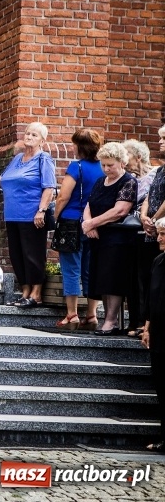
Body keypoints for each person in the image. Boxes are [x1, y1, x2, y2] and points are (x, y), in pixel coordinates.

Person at [0, 122, 55, 308]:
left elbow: (49, 187)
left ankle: (36, 293)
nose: (29, 137)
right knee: (17, 255)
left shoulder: (44, 159)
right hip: (12, 215)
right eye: (27, 133)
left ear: (42, 140)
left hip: (32, 215)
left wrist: (41, 210)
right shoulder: (17, 158)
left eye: (34, 135)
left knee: (33, 254)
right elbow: (5, 176)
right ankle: (24, 291)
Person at [81, 142, 138, 335]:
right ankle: (107, 318)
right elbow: (89, 204)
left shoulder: (128, 181)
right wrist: (88, 223)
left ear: (122, 162)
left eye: (110, 165)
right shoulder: (100, 181)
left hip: (117, 239)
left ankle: (111, 321)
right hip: (98, 238)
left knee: (112, 279)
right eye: (103, 164)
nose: (106, 168)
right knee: (101, 279)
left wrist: (92, 223)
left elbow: (119, 210)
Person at [51, 129, 103, 329]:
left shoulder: (76, 167)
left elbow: (63, 196)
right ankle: (91, 315)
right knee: (91, 270)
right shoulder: (102, 167)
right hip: (94, 223)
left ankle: (72, 314)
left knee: (71, 268)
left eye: (74, 144)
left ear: (80, 147)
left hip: (71, 222)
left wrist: (55, 217)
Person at [124, 138, 159, 335]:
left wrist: (149, 219)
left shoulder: (155, 174)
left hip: (151, 232)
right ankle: (135, 320)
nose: (124, 158)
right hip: (132, 232)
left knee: (146, 277)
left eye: (126, 154)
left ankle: (144, 322)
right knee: (133, 278)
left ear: (138, 157)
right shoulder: (128, 178)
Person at [140, 218, 165, 453]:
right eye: (158, 234)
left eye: (163, 235)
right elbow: (151, 297)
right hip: (158, 332)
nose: (158, 238)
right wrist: (146, 328)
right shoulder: (158, 261)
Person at [138, 126, 165, 338]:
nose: (160, 142)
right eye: (160, 138)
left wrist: (156, 220)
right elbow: (149, 196)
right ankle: (145, 321)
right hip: (151, 229)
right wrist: (143, 216)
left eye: (164, 138)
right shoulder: (159, 170)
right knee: (148, 276)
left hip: (161, 229)